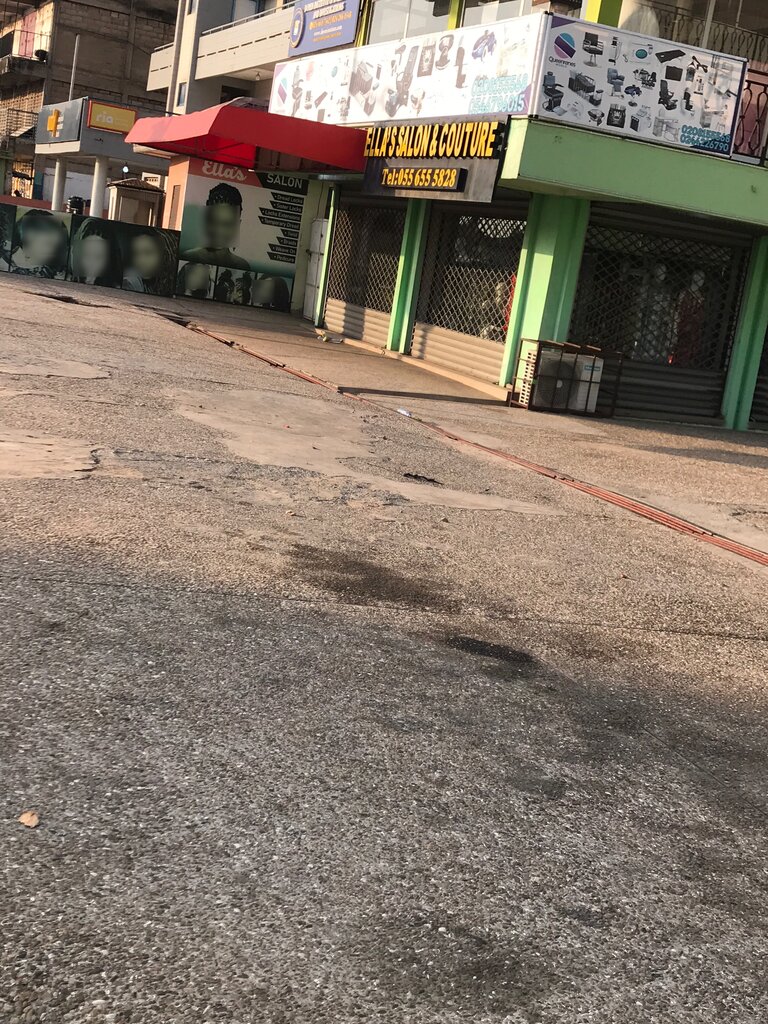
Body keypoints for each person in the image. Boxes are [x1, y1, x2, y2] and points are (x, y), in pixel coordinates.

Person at [181, 182, 250, 270]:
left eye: (227, 224)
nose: (219, 231)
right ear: (206, 220)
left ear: (237, 225)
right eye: (214, 222)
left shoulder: (242, 266)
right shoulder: (189, 258)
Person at [1, 210, 69, 278]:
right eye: (49, 244)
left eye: (58, 246)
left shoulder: (53, 270)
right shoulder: (3, 264)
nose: (53, 251)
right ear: (29, 237)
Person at [68, 218, 122, 287]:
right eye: (86, 255)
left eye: (98, 257)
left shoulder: (116, 288)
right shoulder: (66, 280)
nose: (91, 263)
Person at [122, 229, 177, 296]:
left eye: (148, 253)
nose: (141, 261)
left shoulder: (175, 287)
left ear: (165, 255)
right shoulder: (131, 280)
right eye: (135, 253)